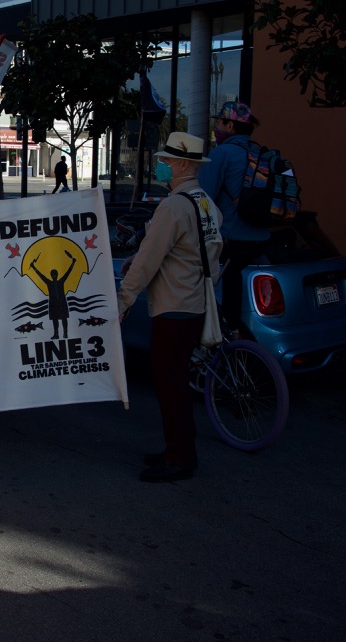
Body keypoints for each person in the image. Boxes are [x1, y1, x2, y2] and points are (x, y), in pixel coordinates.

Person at [116, 132, 222, 483]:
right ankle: (177, 449)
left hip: (174, 308)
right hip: (193, 302)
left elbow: (148, 260)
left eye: (165, 161)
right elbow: (205, 253)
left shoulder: (173, 207)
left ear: (181, 164)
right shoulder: (204, 202)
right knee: (174, 381)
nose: (160, 166)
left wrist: (123, 301)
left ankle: (180, 457)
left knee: (170, 384)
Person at [197, 102, 271, 327]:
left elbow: (202, 198)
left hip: (230, 242)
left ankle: (226, 349)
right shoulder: (262, 155)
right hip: (262, 241)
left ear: (230, 125)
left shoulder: (222, 153)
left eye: (218, 123)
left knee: (224, 312)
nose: (216, 129)